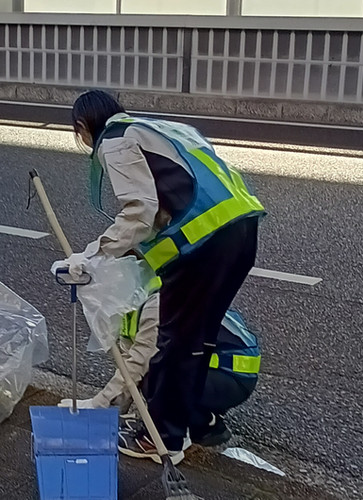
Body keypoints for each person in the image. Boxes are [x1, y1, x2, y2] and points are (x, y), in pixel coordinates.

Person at [55, 90, 265, 464]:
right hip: (241, 231)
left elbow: (140, 211)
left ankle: (162, 438)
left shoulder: (115, 140)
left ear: (82, 128)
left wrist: (91, 256)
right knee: (197, 339)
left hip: (205, 240)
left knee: (174, 341)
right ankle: (189, 428)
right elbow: (172, 197)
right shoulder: (162, 129)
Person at [59, 278, 261, 449]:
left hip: (230, 375)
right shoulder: (138, 299)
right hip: (220, 373)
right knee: (156, 374)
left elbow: (137, 367)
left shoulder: (158, 304)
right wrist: (110, 414)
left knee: (155, 377)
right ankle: (205, 425)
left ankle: (166, 441)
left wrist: (98, 406)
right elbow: (128, 364)